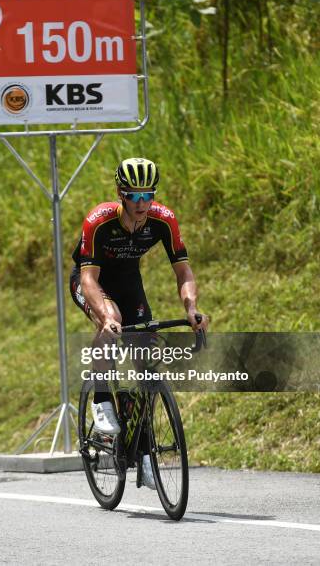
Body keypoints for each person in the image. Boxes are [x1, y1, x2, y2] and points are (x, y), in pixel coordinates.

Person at [70, 157, 208, 488]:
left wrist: (191, 309)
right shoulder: (99, 220)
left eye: (149, 195)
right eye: (134, 196)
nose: (143, 203)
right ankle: (102, 399)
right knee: (113, 320)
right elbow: (88, 279)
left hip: (129, 282)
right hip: (90, 282)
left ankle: (144, 454)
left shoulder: (164, 220)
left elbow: (183, 271)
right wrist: (104, 316)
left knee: (146, 360)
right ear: (121, 193)